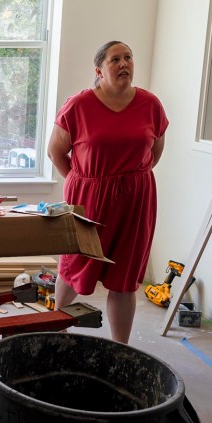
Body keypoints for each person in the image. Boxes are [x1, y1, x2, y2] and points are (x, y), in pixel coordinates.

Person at [46, 41, 167, 344]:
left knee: (124, 278)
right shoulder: (79, 105)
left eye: (128, 57)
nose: (124, 63)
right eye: (116, 59)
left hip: (135, 201)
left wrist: (128, 179)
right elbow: (56, 153)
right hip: (88, 200)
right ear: (99, 70)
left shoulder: (150, 104)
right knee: (74, 268)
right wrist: (85, 182)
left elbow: (155, 151)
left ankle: (121, 347)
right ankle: (58, 332)